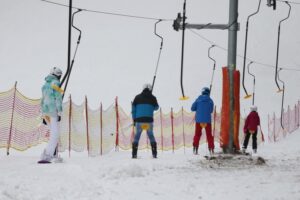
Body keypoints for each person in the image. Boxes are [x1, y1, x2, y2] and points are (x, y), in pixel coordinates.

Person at [39, 67, 64, 162]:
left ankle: (51, 154)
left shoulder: (45, 85)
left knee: (53, 133)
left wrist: (43, 114)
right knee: (55, 134)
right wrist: (60, 111)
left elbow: (43, 99)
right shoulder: (55, 83)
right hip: (52, 111)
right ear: (57, 75)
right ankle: (47, 154)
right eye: (59, 76)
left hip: (45, 112)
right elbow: (58, 97)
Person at [131, 83, 159, 159]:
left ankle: (134, 154)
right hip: (148, 121)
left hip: (139, 121)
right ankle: (154, 154)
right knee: (151, 136)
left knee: (137, 137)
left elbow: (133, 109)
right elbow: (156, 108)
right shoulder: (153, 97)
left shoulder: (137, 97)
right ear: (150, 89)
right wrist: (151, 106)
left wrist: (134, 119)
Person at [191, 87, 214, 155]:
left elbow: (192, 108)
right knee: (209, 135)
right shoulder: (210, 100)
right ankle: (211, 148)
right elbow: (211, 110)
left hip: (199, 121)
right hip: (207, 121)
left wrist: (198, 108)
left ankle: (195, 147)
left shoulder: (198, 99)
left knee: (197, 135)